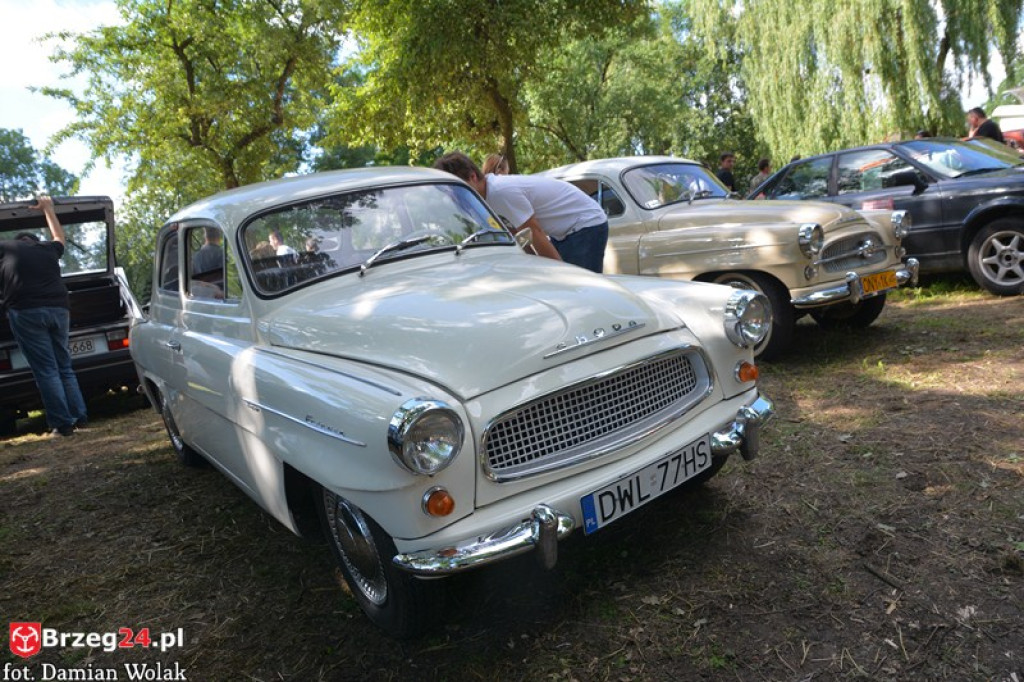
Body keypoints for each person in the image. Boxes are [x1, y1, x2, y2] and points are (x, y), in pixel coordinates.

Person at [433, 151, 609, 273]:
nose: (455, 198)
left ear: (472, 176)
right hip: (566, 231)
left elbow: (534, 232)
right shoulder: (486, 199)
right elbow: (519, 236)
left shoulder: (499, 192)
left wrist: (558, 273)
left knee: (580, 287)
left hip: (585, 224)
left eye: (457, 190)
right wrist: (531, 262)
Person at [0, 196, 88, 436]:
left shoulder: (7, 247)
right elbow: (59, 237)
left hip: (27, 312)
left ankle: (62, 424)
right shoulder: (48, 249)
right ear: (35, 242)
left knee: (47, 370)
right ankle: (79, 417)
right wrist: (48, 208)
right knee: (65, 367)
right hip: (60, 310)